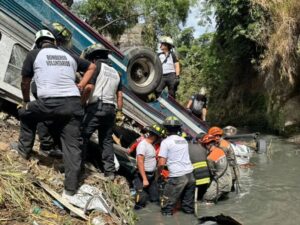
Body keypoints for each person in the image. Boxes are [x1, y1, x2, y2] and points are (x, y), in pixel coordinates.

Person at [16, 29, 96, 197]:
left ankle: (23, 151)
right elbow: (92, 66)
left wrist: (26, 101)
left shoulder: (34, 54)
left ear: (38, 43)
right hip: (73, 105)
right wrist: (80, 85)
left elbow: (25, 82)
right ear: (54, 42)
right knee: (72, 146)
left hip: (48, 103)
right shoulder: (69, 56)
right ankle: (70, 190)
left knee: (25, 114)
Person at [81, 44, 123, 181]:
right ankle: (109, 172)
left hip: (97, 107)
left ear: (93, 57)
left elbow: (89, 88)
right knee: (106, 141)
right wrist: (119, 112)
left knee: (82, 135)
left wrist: (81, 103)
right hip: (111, 110)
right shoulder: (116, 73)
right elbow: (120, 96)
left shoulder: (96, 67)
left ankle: (78, 166)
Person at [31, 22, 73, 158]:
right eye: (59, 41)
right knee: (46, 117)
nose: (60, 44)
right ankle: (46, 146)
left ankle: (49, 144)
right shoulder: (44, 50)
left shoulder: (43, 47)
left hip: (44, 85)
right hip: (43, 86)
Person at [158, 116, 195, 216]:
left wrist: (158, 174)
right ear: (178, 128)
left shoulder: (165, 142)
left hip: (177, 177)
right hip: (190, 175)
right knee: (188, 208)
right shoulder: (183, 140)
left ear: (165, 128)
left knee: (166, 207)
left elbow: (161, 163)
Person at [133, 124, 165, 209]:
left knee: (155, 199)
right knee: (141, 200)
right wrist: (144, 179)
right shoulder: (143, 145)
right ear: (155, 136)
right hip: (142, 176)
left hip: (151, 176)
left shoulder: (151, 145)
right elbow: (140, 162)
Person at [200, 134, 232, 203]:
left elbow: (212, 174)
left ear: (207, 145)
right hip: (229, 182)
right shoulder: (221, 151)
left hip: (220, 183)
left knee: (206, 200)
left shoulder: (210, 157)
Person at [208, 126, 240, 192]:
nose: (216, 137)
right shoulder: (221, 142)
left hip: (230, 170)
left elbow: (216, 158)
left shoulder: (223, 145)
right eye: (215, 136)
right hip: (231, 168)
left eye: (218, 136)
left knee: (226, 189)